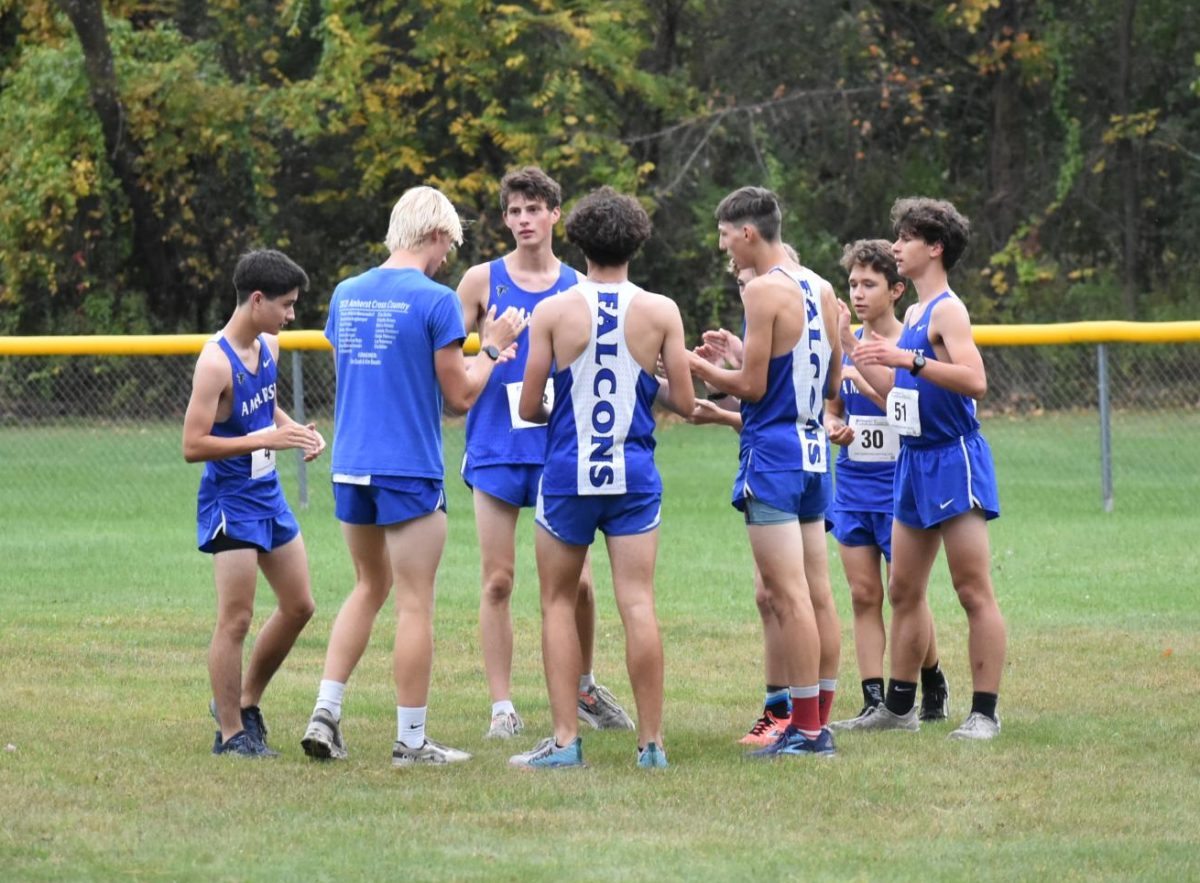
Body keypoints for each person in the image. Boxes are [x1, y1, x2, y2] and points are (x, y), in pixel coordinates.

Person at [300, 186, 523, 766]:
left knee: (368, 586)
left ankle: (325, 711)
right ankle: (412, 740)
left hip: (351, 465)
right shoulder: (436, 300)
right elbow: (460, 397)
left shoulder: (347, 292)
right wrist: (492, 349)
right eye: (449, 244)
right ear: (435, 234)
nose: (447, 257)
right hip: (408, 468)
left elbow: (355, 370)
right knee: (414, 603)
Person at [507, 186, 694, 769]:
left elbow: (529, 406)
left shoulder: (553, 311)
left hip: (569, 475)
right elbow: (686, 402)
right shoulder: (661, 311)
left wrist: (564, 409)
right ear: (637, 241)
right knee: (637, 603)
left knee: (557, 603)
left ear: (579, 242)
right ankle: (651, 744)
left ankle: (566, 742)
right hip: (633, 476)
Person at [456, 167, 634, 740]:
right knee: (498, 580)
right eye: (514, 211)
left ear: (556, 214)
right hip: (497, 446)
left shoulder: (581, 284)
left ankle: (584, 687)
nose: (524, 220)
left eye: (534, 209)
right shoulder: (480, 281)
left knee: (578, 585)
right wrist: (489, 348)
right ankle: (501, 706)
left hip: (562, 447)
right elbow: (450, 369)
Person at [838, 197, 1006, 740]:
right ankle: (899, 709)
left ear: (934, 248)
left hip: (952, 459)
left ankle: (984, 714)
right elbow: (898, 395)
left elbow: (975, 381)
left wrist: (910, 359)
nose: (896, 246)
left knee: (971, 590)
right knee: (903, 591)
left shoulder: (947, 311)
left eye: (906, 238)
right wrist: (858, 353)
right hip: (912, 460)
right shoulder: (912, 314)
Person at [688, 187, 842, 758]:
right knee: (818, 594)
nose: (723, 246)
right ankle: (817, 721)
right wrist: (740, 358)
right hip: (813, 453)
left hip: (773, 456)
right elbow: (830, 382)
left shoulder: (761, 290)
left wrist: (693, 364)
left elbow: (752, 388)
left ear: (748, 232)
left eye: (726, 235)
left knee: (786, 596)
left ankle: (806, 732)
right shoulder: (821, 287)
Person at [182, 248, 324, 757]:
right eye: (286, 304)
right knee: (236, 619)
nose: (291, 314)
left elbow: (265, 407)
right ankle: (230, 734)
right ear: (257, 299)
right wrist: (265, 439)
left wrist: (295, 431)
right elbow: (192, 445)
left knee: (299, 605)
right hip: (231, 501)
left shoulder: (269, 346)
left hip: (269, 497)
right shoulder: (214, 362)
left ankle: (245, 702)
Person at [824, 240, 950, 730]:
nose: (858, 294)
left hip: (901, 486)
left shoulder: (909, 344)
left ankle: (931, 676)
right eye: (853, 284)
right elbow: (832, 406)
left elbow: (908, 411)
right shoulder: (844, 342)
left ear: (896, 290)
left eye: (869, 284)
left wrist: (863, 370)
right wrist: (834, 426)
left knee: (906, 594)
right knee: (862, 594)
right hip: (853, 485)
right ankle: (873, 698)